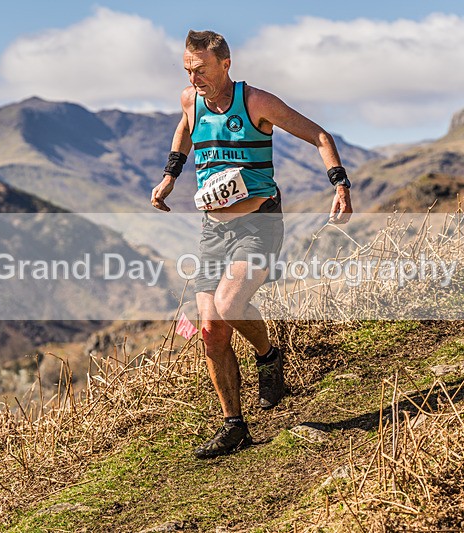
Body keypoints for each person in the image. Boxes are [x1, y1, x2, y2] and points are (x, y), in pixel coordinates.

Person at [151, 30, 352, 459]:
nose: (194, 78)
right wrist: (171, 176)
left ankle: (267, 355)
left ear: (225, 63)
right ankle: (234, 425)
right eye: (188, 70)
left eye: (201, 69)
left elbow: (320, 136)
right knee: (211, 332)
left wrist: (340, 185)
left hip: (258, 225)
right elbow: (184, 131)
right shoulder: (190, 100)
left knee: (227, 306)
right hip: (212, 231)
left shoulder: (256, 102)